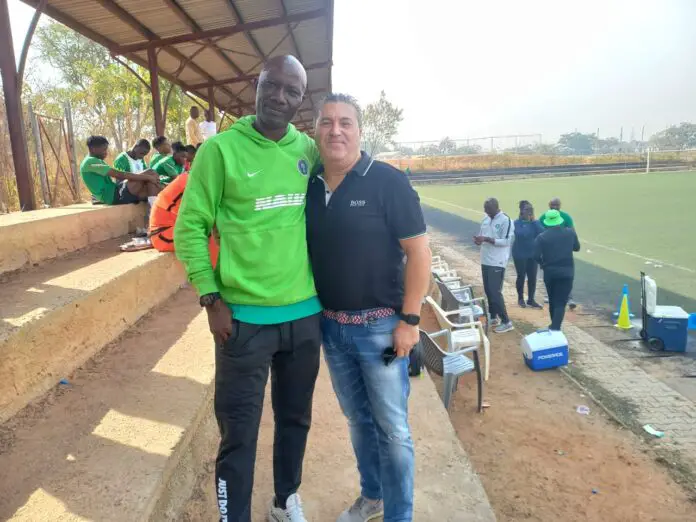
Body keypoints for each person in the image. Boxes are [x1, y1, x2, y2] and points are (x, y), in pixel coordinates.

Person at [174, 55, 321, 522]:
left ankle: (284, 500)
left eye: (291, 91)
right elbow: (190, 226)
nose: (279, 97)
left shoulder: (307, 150)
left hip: (304, 316)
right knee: (238, 433)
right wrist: (210, 297)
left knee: (295, 419)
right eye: (271, 85)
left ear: (301, 100)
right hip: (243, 321)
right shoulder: (220, 151)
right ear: (255, 86)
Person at [306, 94, 430, 522]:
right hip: (332, 328)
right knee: (358, 421)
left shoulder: (387, 182)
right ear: (316, 131)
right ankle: (372, 497)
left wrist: (410, 320)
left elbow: (419, 253)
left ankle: (399, 516)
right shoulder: (311, 186)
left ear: (360, 131)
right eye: (327, 122)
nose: (335, 130)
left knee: (393, 430)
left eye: (345, 122)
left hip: (380, 329)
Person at [148, 172, 219, 264]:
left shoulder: (198, 178)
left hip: (176, 229)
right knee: (211, 232)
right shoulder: (193, 183)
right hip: (163, 235)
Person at [80, 135, 160, 206]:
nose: (106, 153)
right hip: (113, 195)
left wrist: (149, 179)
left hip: (116, 191)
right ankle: (154, 213)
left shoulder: (95, 160)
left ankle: (153, 213)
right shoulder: (89, 162)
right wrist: (148, 177)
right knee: (150, 173)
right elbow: (119, 175)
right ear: (93, 149)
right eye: (104, 150)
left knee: (152, 187)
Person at [535, 209, 581, 330]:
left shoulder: (542, 237)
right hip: (567, 272)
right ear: (560, 221)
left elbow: (535, 255)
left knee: (552, 300)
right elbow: (577, 248)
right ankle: (555, 328)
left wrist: (542, 264)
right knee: (561, 301)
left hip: (550, 272)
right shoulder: (570, 233)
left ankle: (554, 326)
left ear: (546, 223)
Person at [474, 198, 515, 333]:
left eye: (488, 209)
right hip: (485, 259)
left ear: (495, 207)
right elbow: (482, 235)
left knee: (495, 291)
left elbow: (506, 241)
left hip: (497, 261)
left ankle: (506, 322)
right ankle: (493, 316)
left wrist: (486, 239)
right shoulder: (485, 219)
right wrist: (479, 240)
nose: (485, 211)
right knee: (488, 290)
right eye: (485, 209)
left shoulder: (506, 220)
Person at [539, 197, 577, 309]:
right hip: (549, 250)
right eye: (553, 205)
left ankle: (569, 298)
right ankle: (549, 295)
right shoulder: (543, 217)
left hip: (563, 250)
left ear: (560, 205)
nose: (555, 207)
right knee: (550, 273)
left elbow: (572, 232)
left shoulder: (566, 217)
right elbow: (539, 231)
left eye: (557, 205)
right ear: (549, 205)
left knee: (566, 275)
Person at [512, 200, 544, 309]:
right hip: (519, 254)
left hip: (532, 254)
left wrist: (534, 221)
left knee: (532, 277)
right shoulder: (517, 223)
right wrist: (529, 223)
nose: (530, 211)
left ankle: (531, 299)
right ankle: (520, 298)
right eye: (527, 209)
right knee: (521, 276)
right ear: (521, 211)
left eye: (531, 209)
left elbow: (542, 232)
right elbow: (521, 234)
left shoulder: (535, 223)